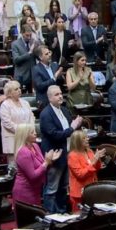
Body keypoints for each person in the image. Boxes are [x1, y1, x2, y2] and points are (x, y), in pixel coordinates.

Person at [40, 85, 83, 213]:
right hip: (54, 155)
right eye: (56, 94)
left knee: (64, 187)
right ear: (49, 98)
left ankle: (62, 212)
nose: (60, 96)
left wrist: (76, 127)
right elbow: (55, 135)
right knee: (52, 188)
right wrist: (73, 128)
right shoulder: (45, 114)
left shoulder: (64, 110)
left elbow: (70, 130)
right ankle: (51, 215)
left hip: (67, 154)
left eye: (60, 94)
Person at [12, 123, 61, 207]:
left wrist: (51, 161)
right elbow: (33, 176)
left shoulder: (35, 146)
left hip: (36, 190)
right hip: (24, 192)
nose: (35, 133)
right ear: (25, 136)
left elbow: (42, 167)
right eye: (32, 132)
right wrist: (46, 162)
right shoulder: (23, 152)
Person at [68, 130, 105, 212]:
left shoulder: (89, 151)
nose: (87, 139)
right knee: (79, 219)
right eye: (84, 138)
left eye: (87, 137)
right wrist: (93, 161)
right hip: (79, 194)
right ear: (78, 142)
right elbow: (80, 175)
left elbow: (97, 168)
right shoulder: (72, 156)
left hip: (92, 189)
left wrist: (98, 159)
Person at [0, 80, 35, 163]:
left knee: (28, 166)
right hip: (13, 140)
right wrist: (23, 131)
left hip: (27, 139)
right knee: (15, 168)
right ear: (9, 93)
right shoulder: (5, 105)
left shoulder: (25, 103)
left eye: (19, 88)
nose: (19, 90)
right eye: (16, 89)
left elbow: (31, 117)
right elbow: (7, 123)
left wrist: (30, 130)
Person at [12, 25, 36, 92]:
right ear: (22, 34)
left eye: (30, 35)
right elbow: (16, 60)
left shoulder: (33, 42)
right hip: (21, 76)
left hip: (32, 76)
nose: (29, 37)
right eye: (27, 35)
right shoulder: (15, 44)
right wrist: (29, 52)